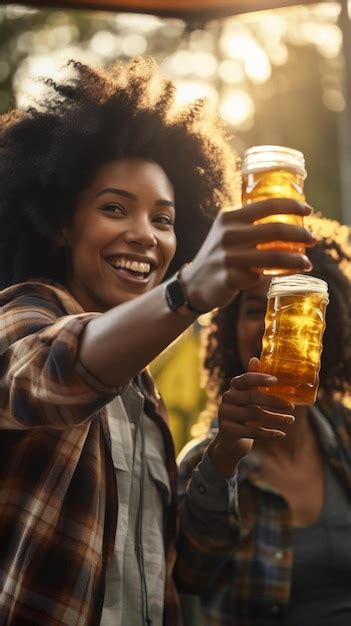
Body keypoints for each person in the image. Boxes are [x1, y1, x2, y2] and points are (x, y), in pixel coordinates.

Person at [0, 57, 315, 626]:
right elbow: (51, 371)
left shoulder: (142, 395)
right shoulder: (23, 312)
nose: (144, 235)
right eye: (114, 208)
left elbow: (190, 571)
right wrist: (188, 291)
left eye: (164, 219)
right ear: (60, 223)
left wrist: (224, 454)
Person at [177, 215, 351, 626]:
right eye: (258, 308)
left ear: (326, 326)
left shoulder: (345, 433)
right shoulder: (205, 463)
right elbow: (189, 576)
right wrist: (224, 460)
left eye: (296, 308)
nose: (276, 323)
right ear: (230, 328)